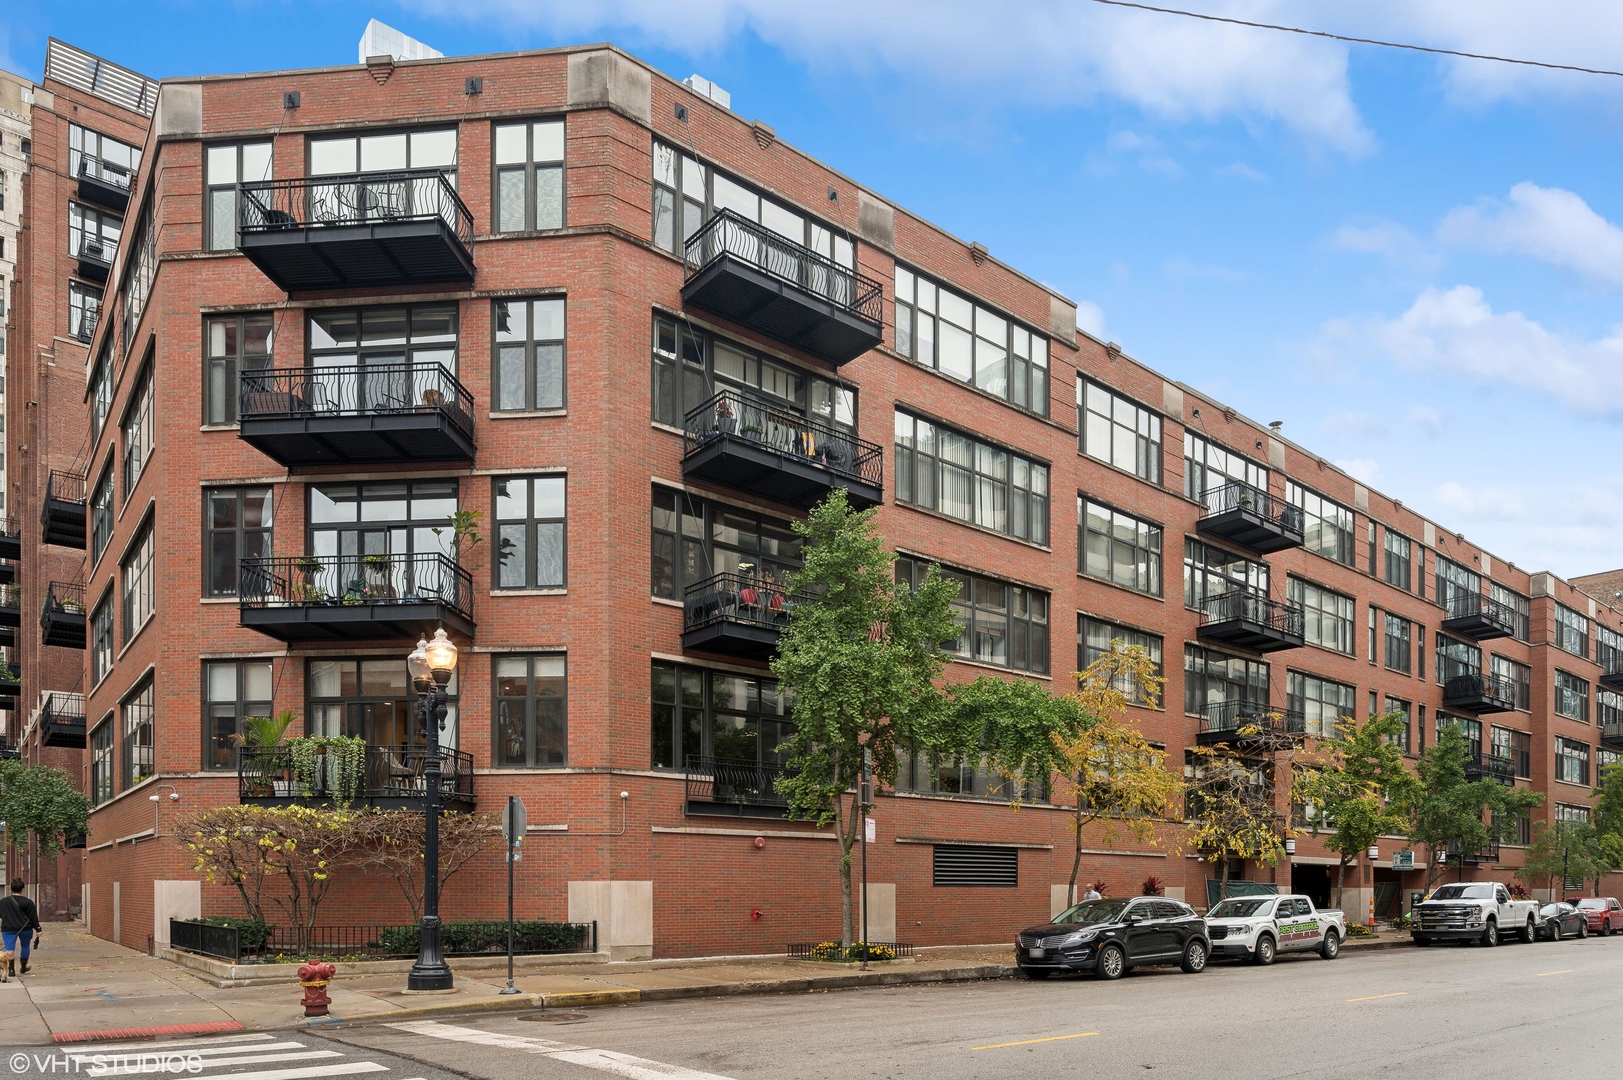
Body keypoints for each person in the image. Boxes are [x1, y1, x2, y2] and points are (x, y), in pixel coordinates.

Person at [0, 878, 41, 977]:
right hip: (25, 928)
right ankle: (23, 967)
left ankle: (10, 970)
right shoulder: (28, 902)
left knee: (9, 948)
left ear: (11, 889)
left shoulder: (3, 902)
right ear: (22, 889)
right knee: (25, 946)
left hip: (8, 929)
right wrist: (38, 929)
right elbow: (33, 917)